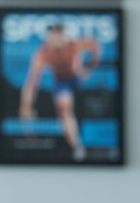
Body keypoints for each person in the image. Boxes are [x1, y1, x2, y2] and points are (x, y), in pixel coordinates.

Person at [19, 23, 101, 162]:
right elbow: (31, 83)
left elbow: (95, 46)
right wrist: (26, 107)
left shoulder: (74, 44)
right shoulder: (43, 53)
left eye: (59, 37)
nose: (57, 41)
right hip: (62, 82)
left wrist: (90, 67)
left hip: (77, 77)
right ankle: (77, 146)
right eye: (53, 37)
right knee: (64, 108)